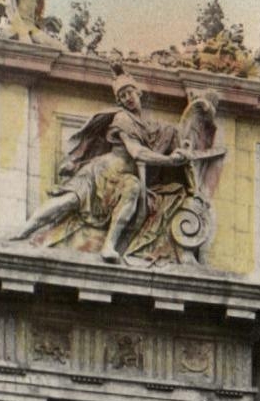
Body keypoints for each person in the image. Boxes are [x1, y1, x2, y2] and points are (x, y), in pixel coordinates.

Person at [11, 72, 190, 261]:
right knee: (68, 201)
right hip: (101, 172)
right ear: (119, 102)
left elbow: (164, 141)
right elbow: (137, 152)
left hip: (123, 179)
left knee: (133, 188)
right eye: (122, 96)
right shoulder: (122, 119)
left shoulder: (151, 128)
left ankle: (109, 246)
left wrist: (182, 153)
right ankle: (23, 230)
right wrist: (170, 161)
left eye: (129, 92)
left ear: (139, 93)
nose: (127, 98)